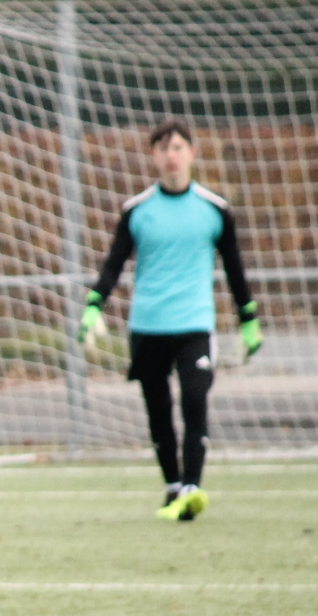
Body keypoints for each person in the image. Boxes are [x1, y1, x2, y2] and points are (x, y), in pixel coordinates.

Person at [78, 119, 259, 523]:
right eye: (163, 148)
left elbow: (234, 268)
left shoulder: (214, 210)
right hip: (148, 325)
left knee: (195, 398)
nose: (171, 156)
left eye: (177, 147)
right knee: (158, 409)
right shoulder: (137, 211)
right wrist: (93, 306)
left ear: (191, 153)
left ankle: (192, 487)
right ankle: (174, 485)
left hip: (194, 323)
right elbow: (113, 264)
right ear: (153, 157)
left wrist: (248, 318)